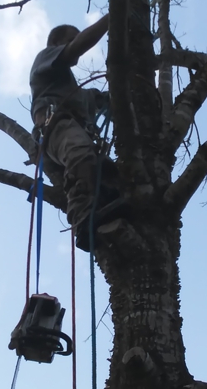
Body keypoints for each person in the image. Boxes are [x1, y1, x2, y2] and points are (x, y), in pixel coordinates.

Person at [29, 14, 123, 251]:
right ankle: (83, 218)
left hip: (72, 135)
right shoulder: (46, 59)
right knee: (82, 154)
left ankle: (111, 215)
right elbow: (76, 47)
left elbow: (104, 99)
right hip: (56, 128)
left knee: (110, 174)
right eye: (71, 38)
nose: (76, 47)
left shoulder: (79, 94)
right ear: (56, 43)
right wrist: (113, 15)